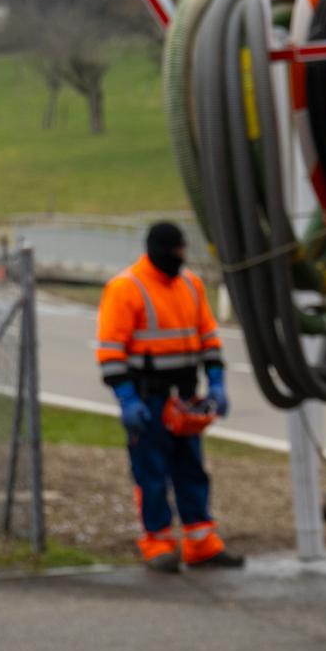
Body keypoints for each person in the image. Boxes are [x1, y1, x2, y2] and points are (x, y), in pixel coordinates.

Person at [95, 222, 243, 573]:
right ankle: (158, 544)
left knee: (192, 470)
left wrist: (217, 382)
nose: (178, 260)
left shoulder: (190, 284)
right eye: (173, 254)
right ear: (156, 251)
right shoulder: (125, 288)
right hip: (148, 401)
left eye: (181, 253)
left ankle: (201, 543)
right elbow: (111, 353)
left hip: (186, 400)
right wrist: (127, 400)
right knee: (151, 474)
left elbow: (208, 338)